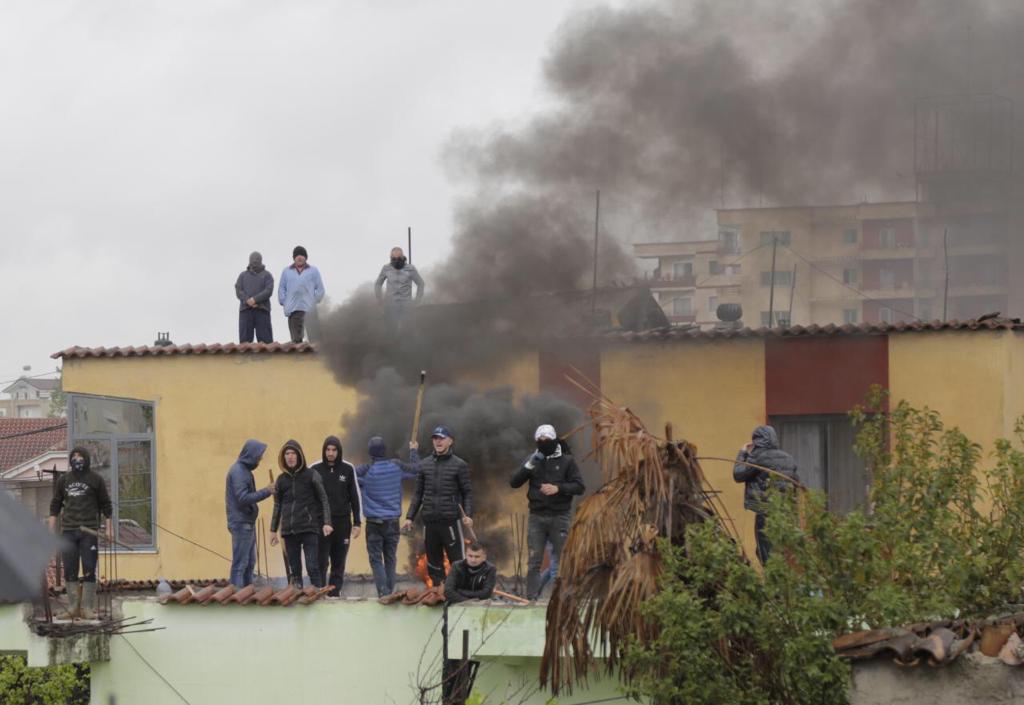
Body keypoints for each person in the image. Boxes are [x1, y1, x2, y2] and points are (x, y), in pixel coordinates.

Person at [509, 424, 584, 600]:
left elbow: (579, 486)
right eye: (539, 440)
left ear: (554, 440)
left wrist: (558, 488)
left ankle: (560, 598)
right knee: (534, 561)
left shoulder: (567, 461)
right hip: (537, 517)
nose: (543, 443)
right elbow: (514, 483)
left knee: (560, 560)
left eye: (547, 440)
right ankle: (531, 598)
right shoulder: (533, 459)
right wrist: (529, 465)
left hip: (560, 517)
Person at [403, 425, 473, 588]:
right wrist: (409, 517)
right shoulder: (424, 465)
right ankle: (436, 594)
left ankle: (460, 597)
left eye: (442, 438)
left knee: (457, 564)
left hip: (451, 523)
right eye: (435, 438)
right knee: (434, 565)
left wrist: (468, 515)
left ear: (450, 441)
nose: (438, 441)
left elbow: (467, 493)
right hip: (430, 523)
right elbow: (418, 494)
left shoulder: (459, 465)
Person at [48, 447, 113, 619]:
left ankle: (87, 608)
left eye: (80, 457)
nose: (77, 460)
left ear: (86, 459)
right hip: (68, 531)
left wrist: (109, 529)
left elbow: (106, 506)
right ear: (70, 460)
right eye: (74, 457)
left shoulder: (96, 479)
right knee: (70, 569)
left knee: (89, 568)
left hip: (89, 530)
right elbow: (55, 506)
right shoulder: (64, 480)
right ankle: (72, 608)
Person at [355, 436, 420, 597]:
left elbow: (349, 476)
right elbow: (417, 469)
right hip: (393, 523)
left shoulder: (366, 471)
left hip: (374, 524)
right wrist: (413, 451)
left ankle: (384, 593)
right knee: (391, 558)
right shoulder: (396, 466)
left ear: (370, 452)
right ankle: (390, 592)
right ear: (385, 450)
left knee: (376, 559)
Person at [270, 440, 332, 588]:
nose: (290, 457)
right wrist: (273, 530)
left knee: (312, 568)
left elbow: (324, 499)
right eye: (287, 454)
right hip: (289, 531)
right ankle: (298, 600)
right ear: (283, 457)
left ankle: (318, 598)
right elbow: (277, 505)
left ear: (299, 456)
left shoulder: (312, 475)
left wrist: (327, 522)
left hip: (309, 529)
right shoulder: (281, 480)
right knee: (295, 573)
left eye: (293, 453)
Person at [733, 425, 799, 566]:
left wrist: (743, 452)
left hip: (765, 510)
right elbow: (795, 483)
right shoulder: (789, 458)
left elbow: (738, 474)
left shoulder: (759, 457)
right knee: (782, 551)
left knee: (765, 552)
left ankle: (771, 583)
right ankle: (780, 581)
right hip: (786, 512)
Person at [310, 436, 361, 596]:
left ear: (339, 451)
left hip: (343, 523)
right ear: (324, 451)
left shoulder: (348, 469)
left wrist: (357, 522)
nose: (330, 453)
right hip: (321, 524)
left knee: (339, 563)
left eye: (334, 450)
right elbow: (309, 498)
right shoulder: (314, 469)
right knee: (321, 562)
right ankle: (319, 593)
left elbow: (355, 496)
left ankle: (334, 594)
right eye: (328, 450)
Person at [224, 439, 275, 588]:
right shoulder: (238, 472)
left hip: (247, 523)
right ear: (251, 455)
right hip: (241, 524)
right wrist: (267, 491)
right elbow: (243, 498)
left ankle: (246, 593)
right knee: (241, 563)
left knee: (249, 562)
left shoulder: (244, 471)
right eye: (259, 456)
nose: (260, 459)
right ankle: (237, 597)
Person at [278, 246, 325, 343]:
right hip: (294, 310)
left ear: (306, 257)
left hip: (310, 311)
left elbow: (320, 289)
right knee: (296, 342)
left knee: (315, 341)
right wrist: (284, 301)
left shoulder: (313, 270)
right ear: (294, 258)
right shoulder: (286, 271)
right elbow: (281, 288)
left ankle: (315, 358)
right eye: (297, 255)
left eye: (302, 255)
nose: (299, 257)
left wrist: (314, 300)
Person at [374, 247, 424, 325]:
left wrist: (417, 300)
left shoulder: (410, 268)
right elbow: (378, 284)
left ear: (402, 257)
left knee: (406, 330)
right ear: (391, 258)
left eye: (398, 258)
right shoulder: (386, 268)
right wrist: (379, 299)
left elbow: (420, 283)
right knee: (391, 330)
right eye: (394, 258)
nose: (396, 261)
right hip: (390, 305)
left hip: (406, 306)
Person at [235, 251, 275, 343]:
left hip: (262, 310)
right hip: (245, 311)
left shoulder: (267, 275)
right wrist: (248, 300)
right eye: (253, 259)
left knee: (266, 343)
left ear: (261, 260)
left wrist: (255, 300)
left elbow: (268, 291)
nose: (255, 260)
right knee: (245, 344)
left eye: (257, 259)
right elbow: (238, 290)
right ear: (249, 260)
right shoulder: (242, 275)